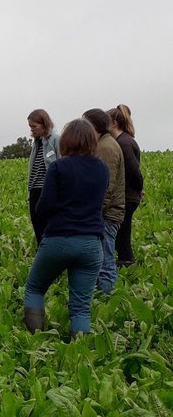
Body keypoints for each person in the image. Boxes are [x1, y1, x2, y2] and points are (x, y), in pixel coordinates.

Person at [23, 119, 109, 336]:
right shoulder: (102, 168)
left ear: (67, 141)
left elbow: (44, 206)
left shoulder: (60, 167)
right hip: (92, 243)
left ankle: (36, 343)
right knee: (81, 307)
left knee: (35, 289)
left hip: (59, 238)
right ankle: (79, 358)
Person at [83, 109, 125, 294]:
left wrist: (93, 212)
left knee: (105, 261)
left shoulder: (106, 147)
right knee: (100, 259)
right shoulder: (103, 144)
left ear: (94, 126)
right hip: (104, 212)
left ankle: (107, 300)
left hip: (107, 214)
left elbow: (106, 186)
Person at [108, 106, 143, 267]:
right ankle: (125, 262)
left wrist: (138, 188)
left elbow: (133, 170)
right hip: (129, 194)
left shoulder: (124, 142)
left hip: (127, 195)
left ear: (114, 123)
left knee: (122, 234)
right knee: (122, 233)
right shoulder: (124, 140)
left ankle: (127, 263)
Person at [27, 109, 60, 244]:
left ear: (44, 124)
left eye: (34, 126)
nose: (32, 130)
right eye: (30, 127)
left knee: (48, 225)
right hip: (35, 189)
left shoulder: (56, 140)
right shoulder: (37, 143)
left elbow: (61, 164)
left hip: (48, 190)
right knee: (37, 224)